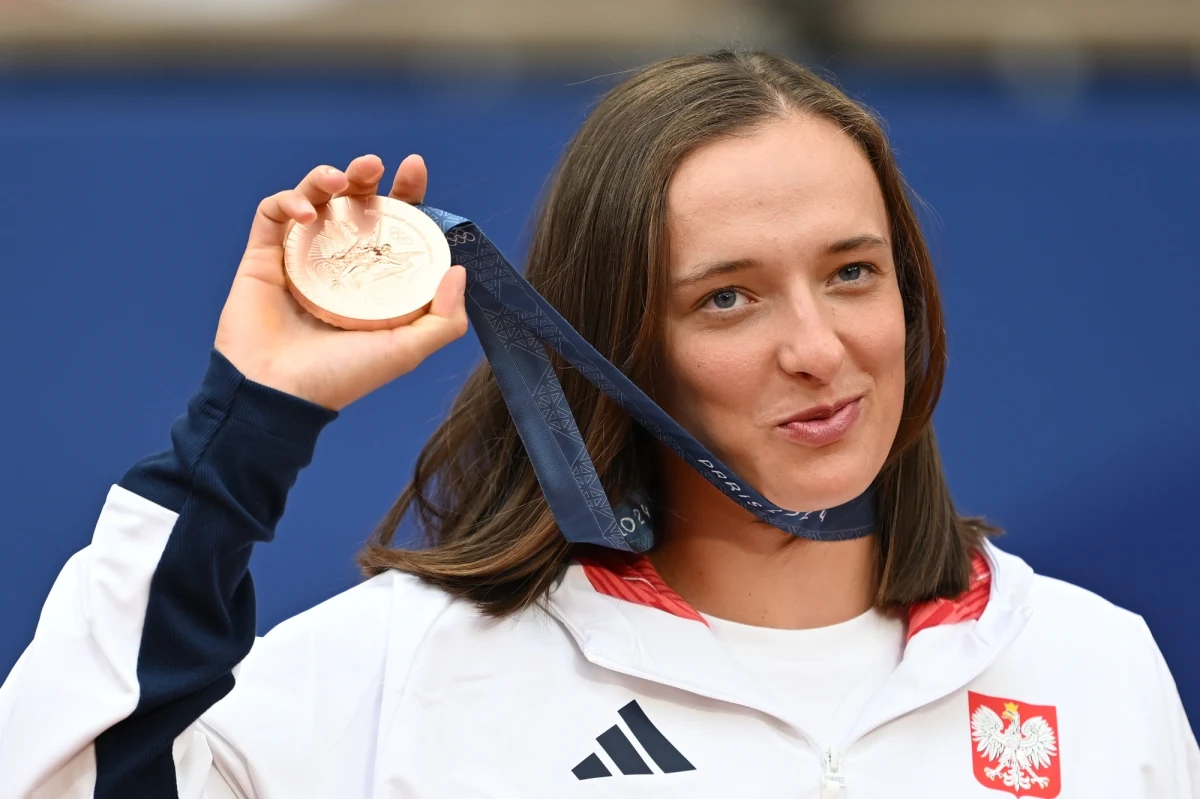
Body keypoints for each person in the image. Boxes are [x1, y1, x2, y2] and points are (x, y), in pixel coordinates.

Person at [0, 49, 1195, 799]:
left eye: (851, 272)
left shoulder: (1088, 669)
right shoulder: (404, 676)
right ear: (615, 346)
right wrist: (244, 423)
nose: (817, 348)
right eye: (726, 296)